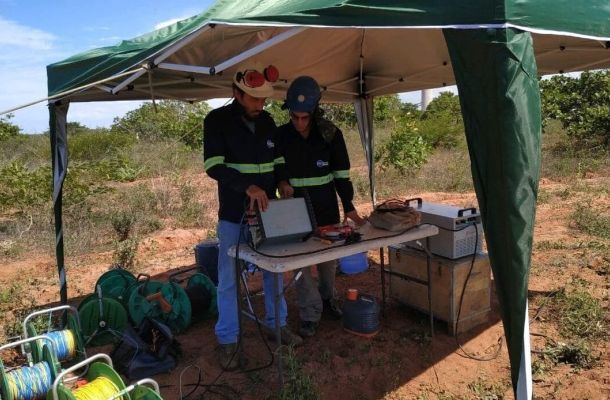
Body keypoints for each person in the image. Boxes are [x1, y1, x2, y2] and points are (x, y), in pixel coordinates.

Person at [203, 62, 302, 371]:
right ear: (237, 93)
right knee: (229, 280)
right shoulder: (217, 121)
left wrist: (283, 181)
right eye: (254, 99)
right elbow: (214, 166)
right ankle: (229, 341)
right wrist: (248, 187)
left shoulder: (268, 121)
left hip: (266, 215)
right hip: (233, 215)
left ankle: (277, 325)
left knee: (273, 270)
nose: (260, 105)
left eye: (263, 100)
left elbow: (280, 159)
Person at [276, 76, 366, 338]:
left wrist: (349, 207)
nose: (300, 123)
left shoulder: (331, 134)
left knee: (328, 260)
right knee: (302, 263)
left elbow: (341, 175)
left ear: (314, 112)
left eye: (305, 117)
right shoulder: (280, 136)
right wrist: (281, 181)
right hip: (294, 211)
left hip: (327, 208)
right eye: (295, 117)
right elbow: (275, 167)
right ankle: (309, 313)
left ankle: (328, 299)